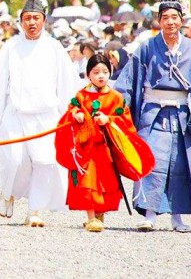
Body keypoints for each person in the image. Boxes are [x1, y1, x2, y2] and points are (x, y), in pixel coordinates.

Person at [114, 0, 191, 232]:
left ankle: (177, 217)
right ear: (159, 21)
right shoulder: (146, 48)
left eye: (175, 17)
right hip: (152, 115)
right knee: (150, 161)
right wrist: (115, 106)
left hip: (181, 116)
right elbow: (127, 83)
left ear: (181, 20)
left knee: (179, 166)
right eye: (166, 17)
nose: (171, 22)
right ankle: (150, 214)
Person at [0, 0, 78, 227]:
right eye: (27, 18)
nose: (31, 23)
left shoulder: (54, 49)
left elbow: (67, 83)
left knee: (45, 162)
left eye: (36, 18)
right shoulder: (11, 47)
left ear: (44, 20)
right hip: (16, 113)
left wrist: (72, 112)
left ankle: (35, 210)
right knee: (15, 160)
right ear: (21, 21)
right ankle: (8, 193)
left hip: (46, 115)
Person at [55, 54, 146, 232]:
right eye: (96, 72)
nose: (101, 76)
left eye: (105, 71)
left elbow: (125, 122)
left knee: (106, 182)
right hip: (86, 148)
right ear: (88, 74)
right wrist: (76, 115)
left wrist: (109, 120)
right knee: (87, 181)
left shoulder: (116, 97)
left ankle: (99, 213)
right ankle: (91, 217)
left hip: (106, 149)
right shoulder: (81, 96)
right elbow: (69, 113)